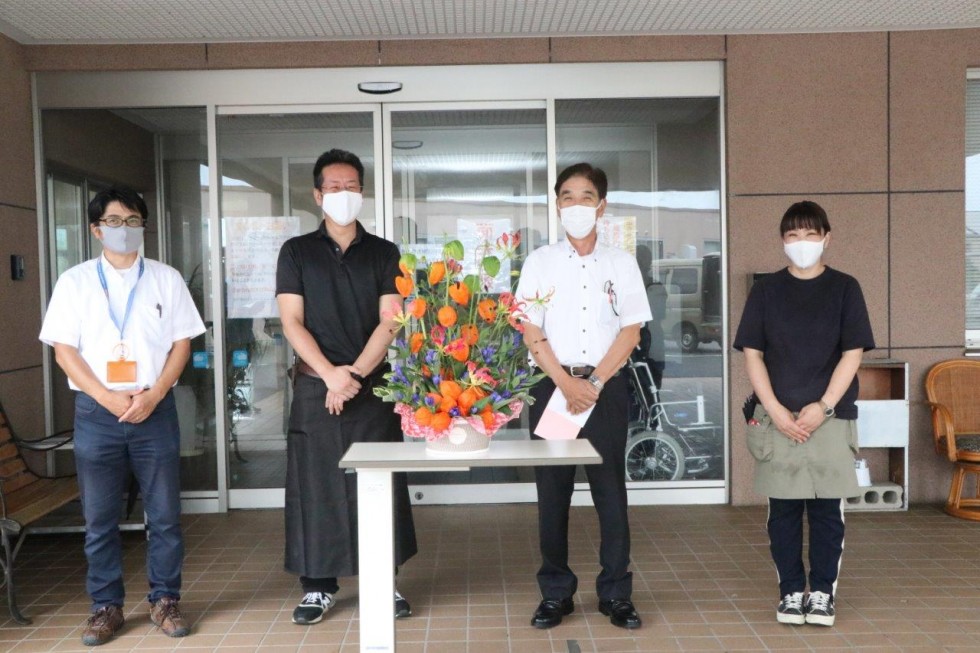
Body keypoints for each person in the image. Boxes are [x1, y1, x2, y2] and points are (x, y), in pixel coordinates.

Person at [39, 186, 205, 646]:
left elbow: (182, 344)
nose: (124, 230)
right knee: (99, 517)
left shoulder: (166, 279)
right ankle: (105, 607)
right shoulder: (74, 282)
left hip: (155, 410)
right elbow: (64, 351)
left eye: (133, 221)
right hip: (98, 412)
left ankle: (165, 600)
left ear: (144, 227)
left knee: (166, 514)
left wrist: (154, 393)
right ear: (95, 230)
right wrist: (108, 397)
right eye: (114, 222)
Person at [276, 148, 417, 625]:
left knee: (378, 486)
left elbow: (390, 321)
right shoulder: (296, 252)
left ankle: (385, 582)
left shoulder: (384, 253)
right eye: (334, 187)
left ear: (363, 192)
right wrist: (331, 374)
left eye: (352, 186)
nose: (344, 194)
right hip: (317, 388)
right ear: (318, 195)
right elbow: (291, 322)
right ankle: (318, 586)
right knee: (315, 486)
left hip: (370, 390)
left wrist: (353, 375)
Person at [516, 163, 652, 630]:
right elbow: (529, 326)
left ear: (602, 205)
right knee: (552, 495)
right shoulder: (540, 261)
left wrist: (591, 385)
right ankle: (555, 592)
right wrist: (564, 382)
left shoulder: (621, 262)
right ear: (557, 205)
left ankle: (616, 593)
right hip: (553, 388)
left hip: (604, 391)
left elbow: (631, 330)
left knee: (610, 493)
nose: (577, 205)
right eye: (568, 196)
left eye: (586, 195)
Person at [733, 200, 874, 628]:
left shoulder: (845, 288)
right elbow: (753, 355)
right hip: (778, 418)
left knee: (829, 512)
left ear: (827, 237)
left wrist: (825, 405)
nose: (802, 243)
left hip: (830, 417)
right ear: (782, 241)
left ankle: (823, 593)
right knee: (785, 511)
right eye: (793, 235)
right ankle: (792, 591)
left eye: (811, 234)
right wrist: (774, 409)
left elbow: (853, 353)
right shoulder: (766, 291)